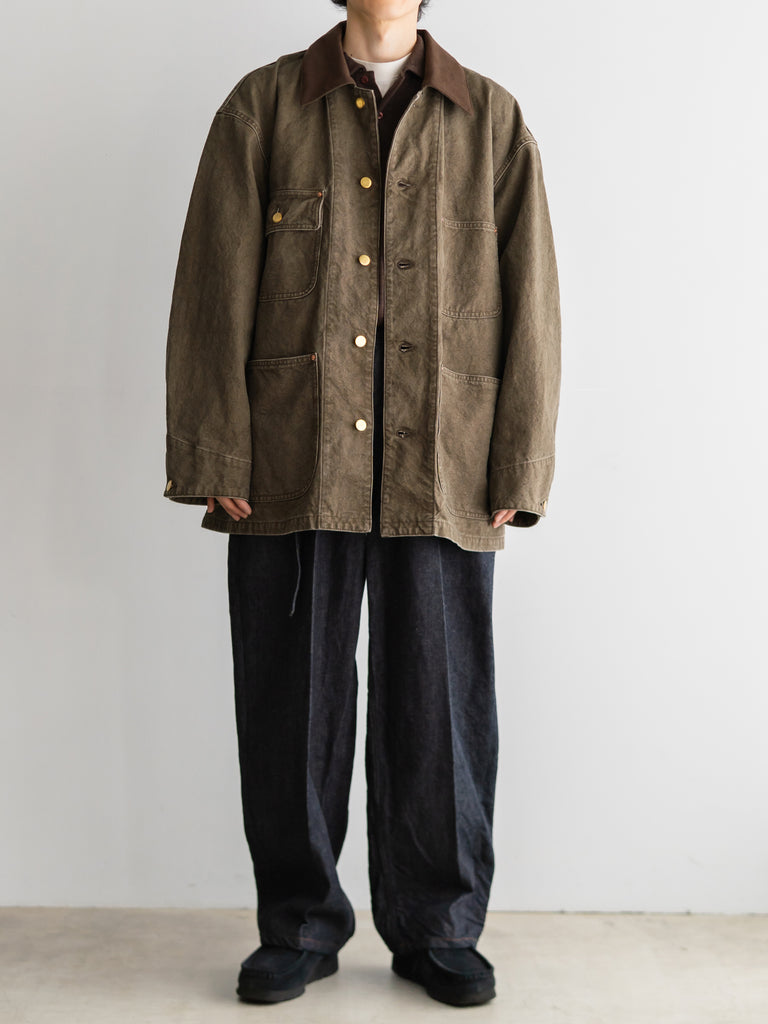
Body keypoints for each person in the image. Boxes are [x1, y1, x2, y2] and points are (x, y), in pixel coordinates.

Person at [163, 0, 561, 1007]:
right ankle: (299, 922)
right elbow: (212, 280)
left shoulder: (492, 120)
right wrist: (214, 446)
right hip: (290, 459)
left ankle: (439, 927)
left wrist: (518, 465)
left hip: (447, 462)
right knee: (290, 705)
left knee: (441, 706)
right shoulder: (263, 108)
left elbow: (533, 300)